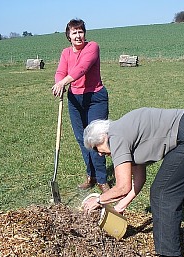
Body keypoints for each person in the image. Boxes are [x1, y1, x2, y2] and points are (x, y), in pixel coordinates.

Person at [82, 107, 184, 257]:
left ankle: (169, 253)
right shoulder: (124, 131)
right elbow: (139, 179)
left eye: (96, 148)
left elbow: (122, 186)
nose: (100, 154)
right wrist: (120, 206)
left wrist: (99, 200)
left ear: (102, 137)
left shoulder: (116, 138)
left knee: (162, 192)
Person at [52, 18, 110, 193]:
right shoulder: (66, 53)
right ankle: (90, 175)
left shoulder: (92, 47)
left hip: (95, 98)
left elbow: (81, 68)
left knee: (97, 138)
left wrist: (64, 82)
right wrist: (59, 83)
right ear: (68, 36)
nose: (78, 35)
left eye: (80, 31)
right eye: (74, 32)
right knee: (81, 139)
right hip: (75, 100)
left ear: (84, 33)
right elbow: (61, 71)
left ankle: (102, 180)